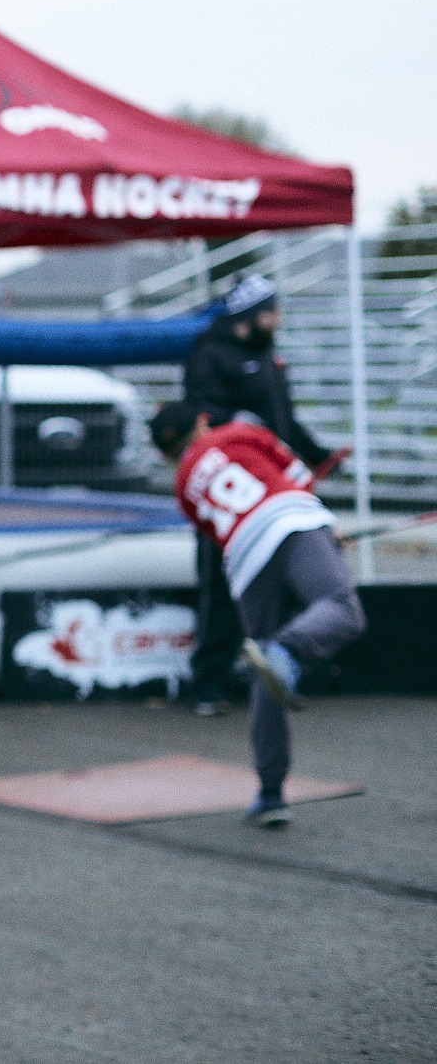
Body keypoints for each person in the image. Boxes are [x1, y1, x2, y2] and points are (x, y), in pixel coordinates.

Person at [151, 402, 365, 827]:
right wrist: (326, 526)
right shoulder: (234, 431)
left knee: (263, 667)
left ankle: (270, 794)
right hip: (291, 521)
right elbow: (298, 473)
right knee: (342, 611)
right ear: (199, 421)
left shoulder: (182, 488)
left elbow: (215, 531)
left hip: (244, 560)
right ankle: (288, 649)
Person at [180, 274, 346, 716]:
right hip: (230, 497)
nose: (277, 319)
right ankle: (208, 685)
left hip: (274, 494)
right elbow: (203, 418)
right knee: (220, 586)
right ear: (248, 317)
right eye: (270, 312)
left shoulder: (267, 356)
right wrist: (239, 422)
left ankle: (269, 673)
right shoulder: (210, 355)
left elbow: (284, 424)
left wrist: (319, 455)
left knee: (281, 587)